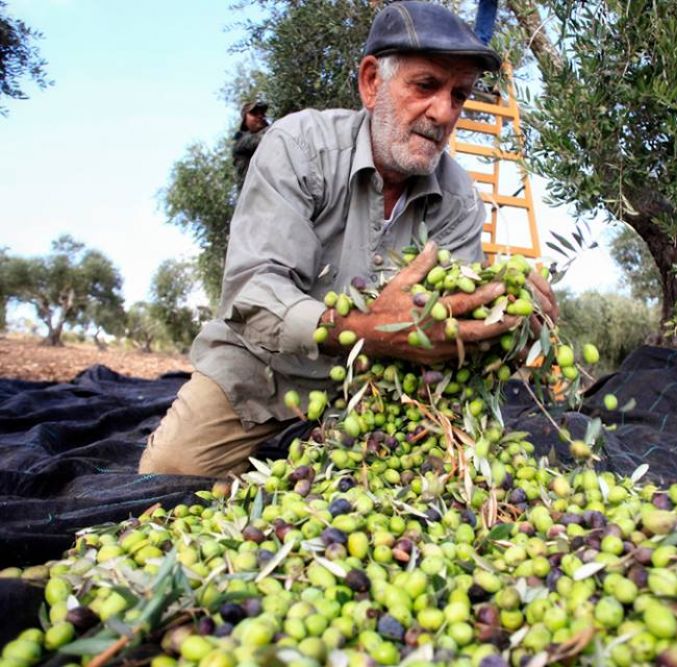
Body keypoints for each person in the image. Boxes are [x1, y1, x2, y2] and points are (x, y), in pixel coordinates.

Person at [139, 1, 557, 478]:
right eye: (426, 86)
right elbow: (255, 290)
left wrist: (511, 325)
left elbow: (452, 325)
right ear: (371, 82)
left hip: (376, 389)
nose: (443, 112)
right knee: (168, 476)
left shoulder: (460, 199)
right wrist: (367, 328)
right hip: (262, 372)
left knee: (438, 487)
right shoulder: (300, 147)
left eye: (458, 95)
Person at [232, 100, 270, 189]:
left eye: (262, 113)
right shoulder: (241, 142)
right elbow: (260, 140)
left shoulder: (269, 132)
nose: (260, 116)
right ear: (245, 122)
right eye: (254, 113)